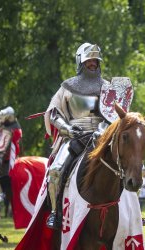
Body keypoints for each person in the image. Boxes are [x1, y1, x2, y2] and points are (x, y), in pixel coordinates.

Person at [44, 43, 111, 229]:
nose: (93, 63)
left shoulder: (107, 87)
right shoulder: (68, 87)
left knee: (126, 166)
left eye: (95, 60)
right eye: (89, 59)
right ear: (81, 61)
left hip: (101, 137)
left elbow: (113, 115)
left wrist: (103, 129)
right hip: (74, 137)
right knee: (55, 170)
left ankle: (131, 212)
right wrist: (67, 129)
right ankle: (55, 213)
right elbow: (54, 113)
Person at [0, 106, 22, 206]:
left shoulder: (15, 129)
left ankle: (1, 194)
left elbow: (5, 144)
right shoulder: (8, 123)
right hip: (0, 154)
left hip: (6, 156)